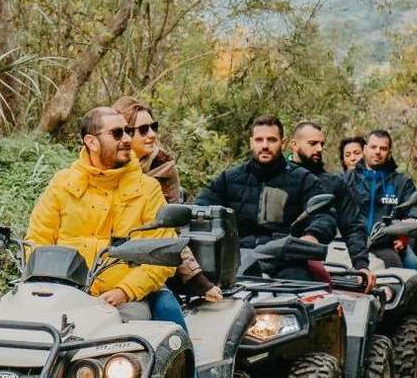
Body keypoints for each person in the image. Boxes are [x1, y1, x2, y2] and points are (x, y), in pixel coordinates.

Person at [26, 106, 178, 320]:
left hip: (123, 302)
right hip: (61, 296)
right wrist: (47, 284)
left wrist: (124, 291)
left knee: (140, 342)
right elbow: (37, 240)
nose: (127, 139)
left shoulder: (148, 189)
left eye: (127, 131)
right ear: (92, 142)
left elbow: (161, 255)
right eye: (117, 133)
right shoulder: (62, 182)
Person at [115, 96, 221, 304]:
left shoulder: (162, 168)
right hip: (101, 262)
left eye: (153, 127)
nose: (152, 135)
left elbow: (169, 233)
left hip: (147, 261)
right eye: (144, 129)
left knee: (167, 309)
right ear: (123, 134)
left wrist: (198, 280)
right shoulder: (95, 170)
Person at [196, 114, 337, 249]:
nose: (265, 145)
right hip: (236, 257)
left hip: (286, 257)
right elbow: (201, 209)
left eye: (271, 140)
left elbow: (324, 215)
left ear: (283, 143)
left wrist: (312, 235)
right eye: (259, 140)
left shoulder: (304, 179)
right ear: (251, 143)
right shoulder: (229, 179)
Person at [290, 120, 375, 290]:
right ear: (294, 145)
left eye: (321, 144)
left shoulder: (333, 183)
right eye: (312, 144)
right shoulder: (275, 179)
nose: (319, 149)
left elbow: (352, 227)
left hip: (317, 257)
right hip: (271, 258)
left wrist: (361, 265)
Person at [356, 129, 417, 269]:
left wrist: (403, 237)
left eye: (383, 148)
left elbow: (415, 211)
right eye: (373, 147)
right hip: (350, 243)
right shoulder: (347, 179)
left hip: (385, 245)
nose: (378, 151)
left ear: (389, 153)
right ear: (364, 149)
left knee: (413, 271)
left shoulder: (402, 183)